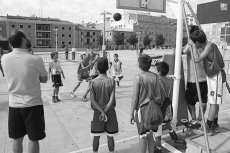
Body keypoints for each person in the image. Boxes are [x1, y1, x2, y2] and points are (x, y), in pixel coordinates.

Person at [1, 29, 48, 153]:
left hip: (14, 105)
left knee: (17, 138)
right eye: (26, 37)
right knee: (33, 138)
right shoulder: (36, 59)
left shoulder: (4, 58)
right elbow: (44, 79)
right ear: (22, 40)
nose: (28, 39)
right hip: (32, 104)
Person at [189, 30, 226, 135]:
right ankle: (215, 124)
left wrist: (192, 46)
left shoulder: (209, 47)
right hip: (212, 76)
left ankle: (208, 127)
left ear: (197, 43)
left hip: (216, 77)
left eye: (195, 43)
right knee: (214, 102)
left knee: (213, 103)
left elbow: (196, 59)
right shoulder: (208, 46)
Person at [130, 54, 162, 153]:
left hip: (142, 110)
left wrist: (131, 113)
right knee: (150, 134)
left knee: (142, 135)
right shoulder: (155, 76)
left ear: (139, 65)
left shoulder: (138, 77)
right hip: (153, 109)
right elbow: (159, 96)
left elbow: (135, 98)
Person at [154, 62, 186, 153]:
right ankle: (172, 133)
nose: (155, 71)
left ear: (159, 71)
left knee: (158, 129)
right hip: (167, 103)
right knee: (167, 119)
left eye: (156, 70)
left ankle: (158, 147)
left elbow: (158, 97)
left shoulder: (158, 81)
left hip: (160, 106)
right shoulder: (168, 80)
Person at [90, 57, 118, 153]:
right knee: (110, 136)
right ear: (107, 69)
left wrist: (101, 112)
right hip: (109, 111)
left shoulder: (93, 82)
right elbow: (111, 99)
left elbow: (92, 100)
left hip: (98, 112)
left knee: (96, 136)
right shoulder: (112, 81)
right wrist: (105, 111)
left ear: (97, 69)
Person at [183, 25, 208, 128]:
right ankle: (200, 119)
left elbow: (183, 51)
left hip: (193, 79)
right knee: (203, 100)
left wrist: (189, 43)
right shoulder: (205, 43)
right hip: (204, 78)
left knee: (190, 100)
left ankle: (194, 119)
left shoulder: (191, 43)